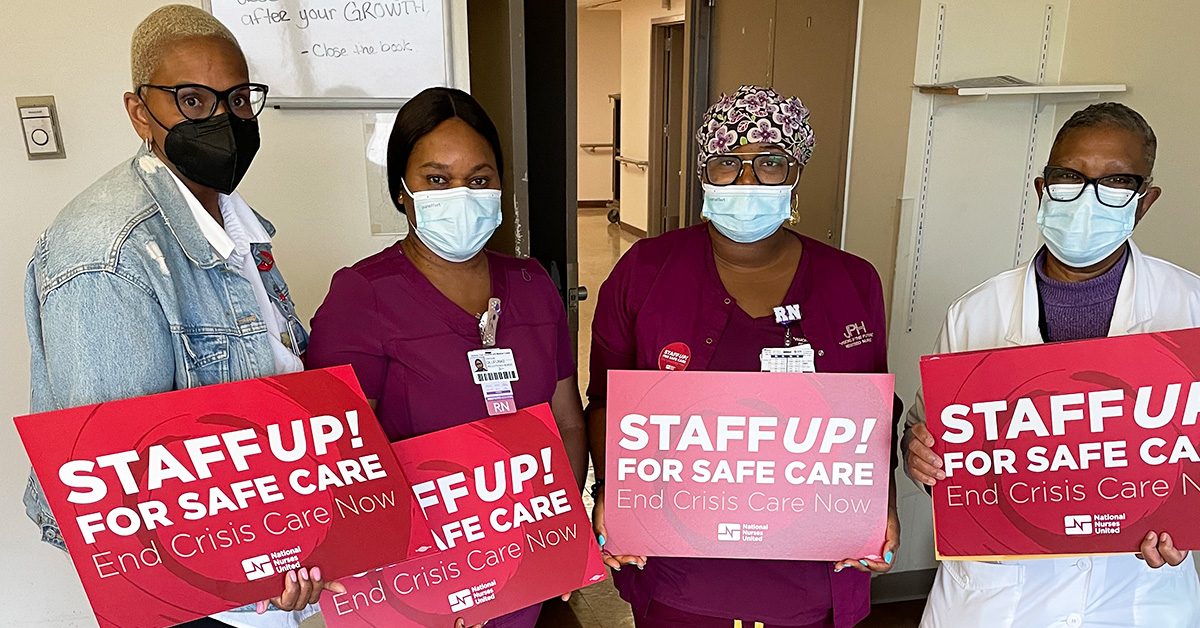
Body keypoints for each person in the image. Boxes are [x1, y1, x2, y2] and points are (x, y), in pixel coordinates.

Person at [22, 6, 341, 628]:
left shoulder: (230, 221)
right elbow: (117, 476)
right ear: (140, 111)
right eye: (192, 101)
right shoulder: (106, 256)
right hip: (202, 595)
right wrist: (248, 569)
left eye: (238, 99)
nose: (222, 120)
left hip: (264, 555)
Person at [585, 85, 901, 628]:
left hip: (813, 567)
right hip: (679, 569)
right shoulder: (645, 271)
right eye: (729, 162)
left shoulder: (852, 281)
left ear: (797, 170)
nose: (748, 181)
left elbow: (872, 418)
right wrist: (613, 492)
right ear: (705, 170)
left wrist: (881, 506)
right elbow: (605, 404)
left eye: (770, 162)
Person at [903, 102, 1200, 627]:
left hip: (1137, 590)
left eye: (1115, 182)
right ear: (1043, 191)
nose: (1087, 197)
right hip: (996, 596)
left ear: (1144, 200)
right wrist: (920, 458)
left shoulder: (1189, 308)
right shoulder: (976, 313)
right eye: (1069, 177)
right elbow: (937, 445)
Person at [305, 87, 589, 628]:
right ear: (401, 191)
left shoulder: (531, 285)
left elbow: (567, 424)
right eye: (437, 179)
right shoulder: (362, 295)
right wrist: (434, 582)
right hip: (414, 583)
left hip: (519, 566)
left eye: (479, 180)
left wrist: (555, 535)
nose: (461, 195)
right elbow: (338, 462)